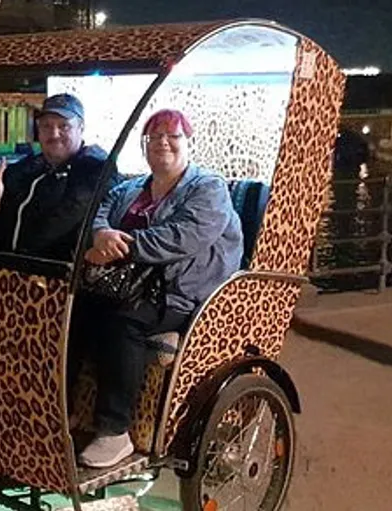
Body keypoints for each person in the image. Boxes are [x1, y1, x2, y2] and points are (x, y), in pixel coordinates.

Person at [73, 109, 243, 468]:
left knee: (123, 322)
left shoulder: (208, 188)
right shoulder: (132, 188)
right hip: (127, 284)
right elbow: (100, 212)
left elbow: (185, 236)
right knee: (71, 311)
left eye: (173, 136)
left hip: (181, 293)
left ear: (188, 143)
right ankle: (62, 408)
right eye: (154, 136)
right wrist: (101, 234)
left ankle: (114, 431)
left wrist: (123, 247)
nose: (163, 142)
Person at [0, 93, 120, 262]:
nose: (54, 134)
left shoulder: (95, 170)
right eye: (46, 126)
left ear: (81, 127)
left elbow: (60, 224)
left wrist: (16, 257)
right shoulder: (22, 170)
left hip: (55, 277)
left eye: (64, 126)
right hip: (5, 275)